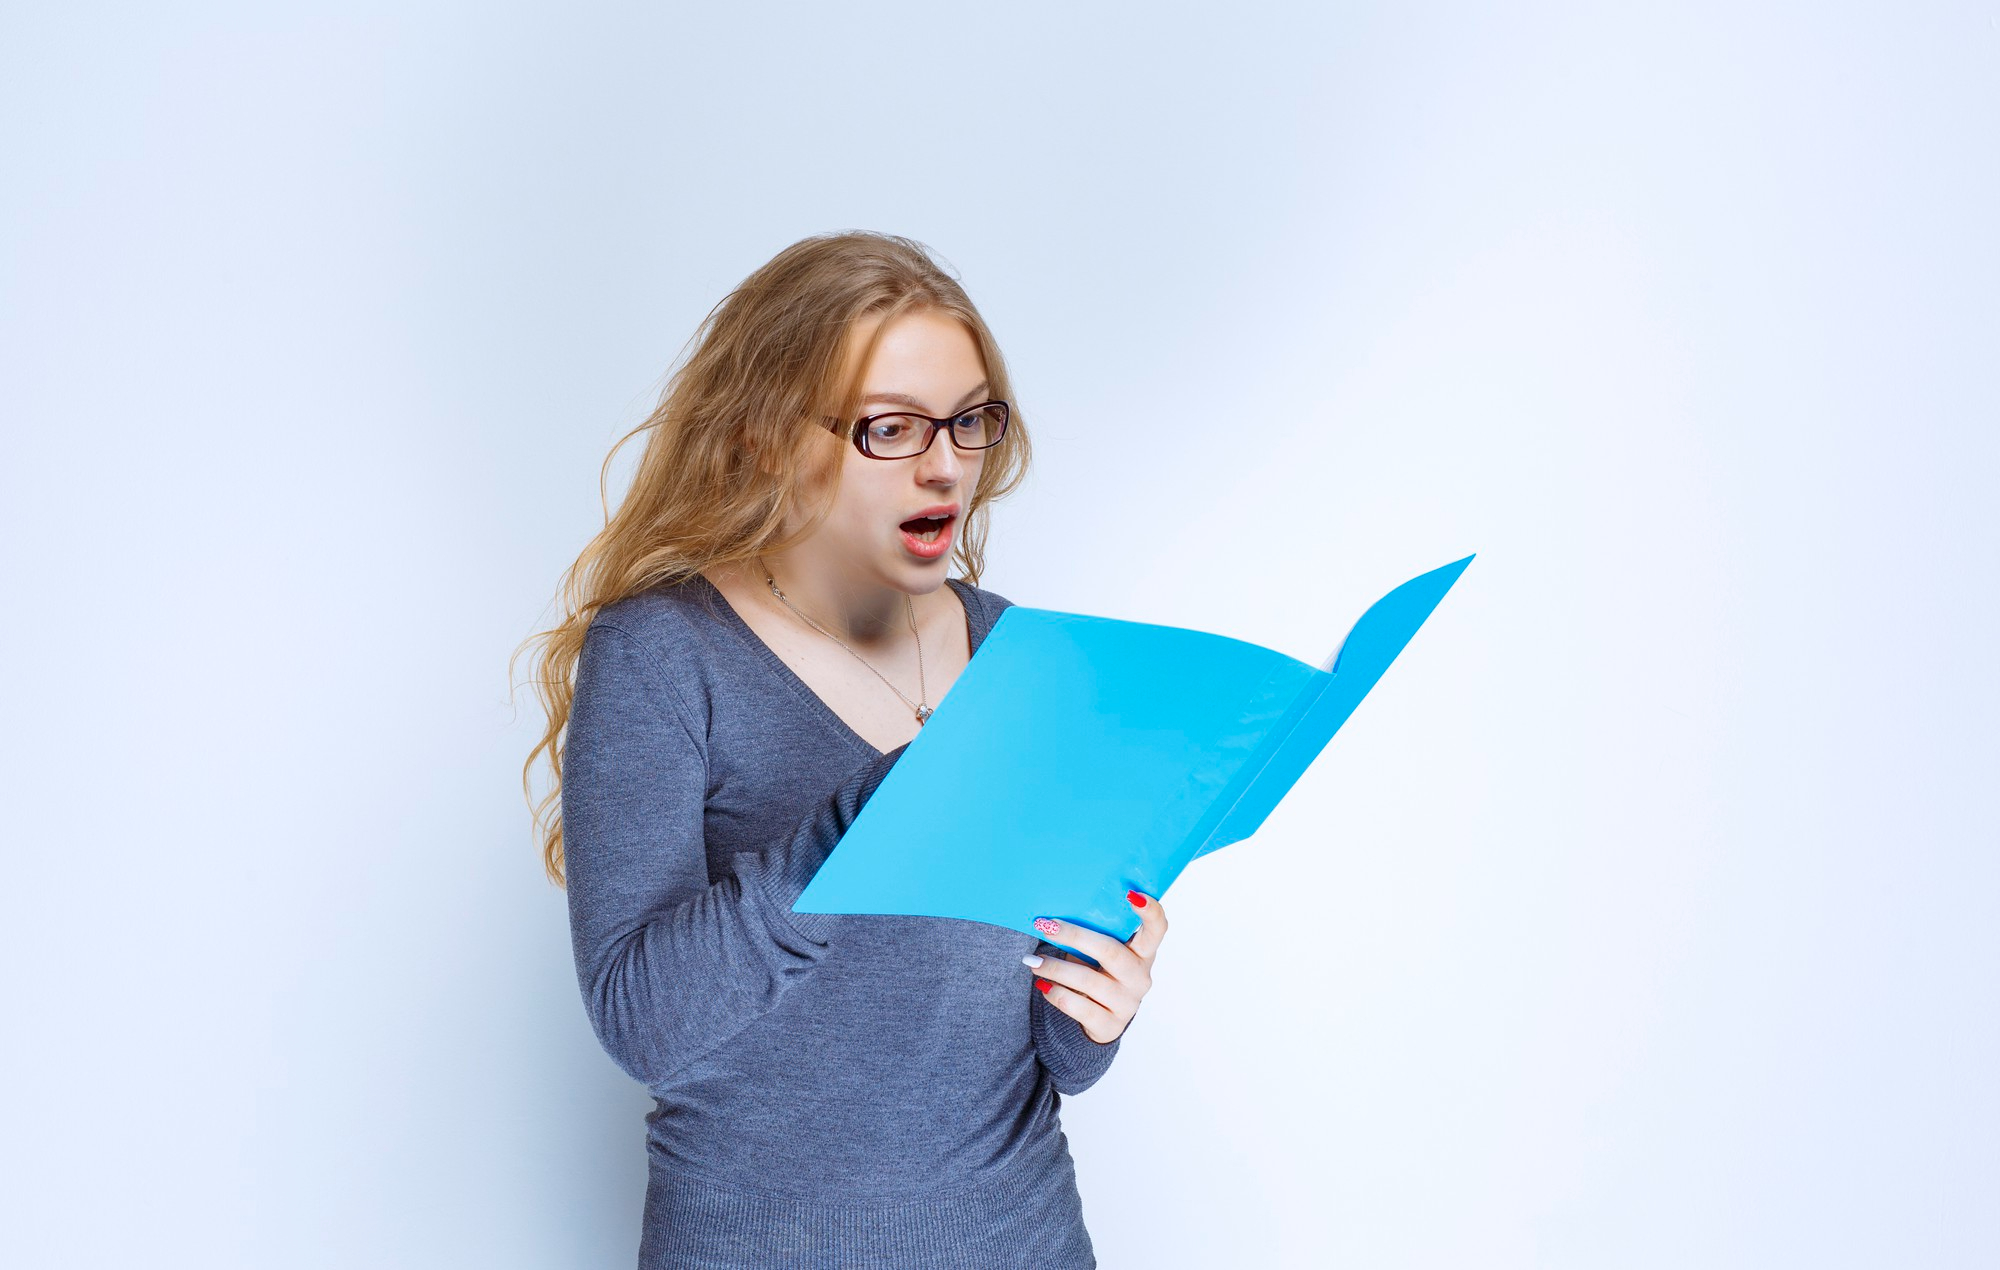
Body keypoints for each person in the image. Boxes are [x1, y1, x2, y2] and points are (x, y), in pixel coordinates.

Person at [517, 230, 1168, 1268]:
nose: (947, 464)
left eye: (967, 421)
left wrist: (1096, 1007)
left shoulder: (1020, 655)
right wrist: (854, 830)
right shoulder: (661, 652)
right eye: (893, 428)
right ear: (768, 438)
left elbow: (1047, 1059)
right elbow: (640, 1021)